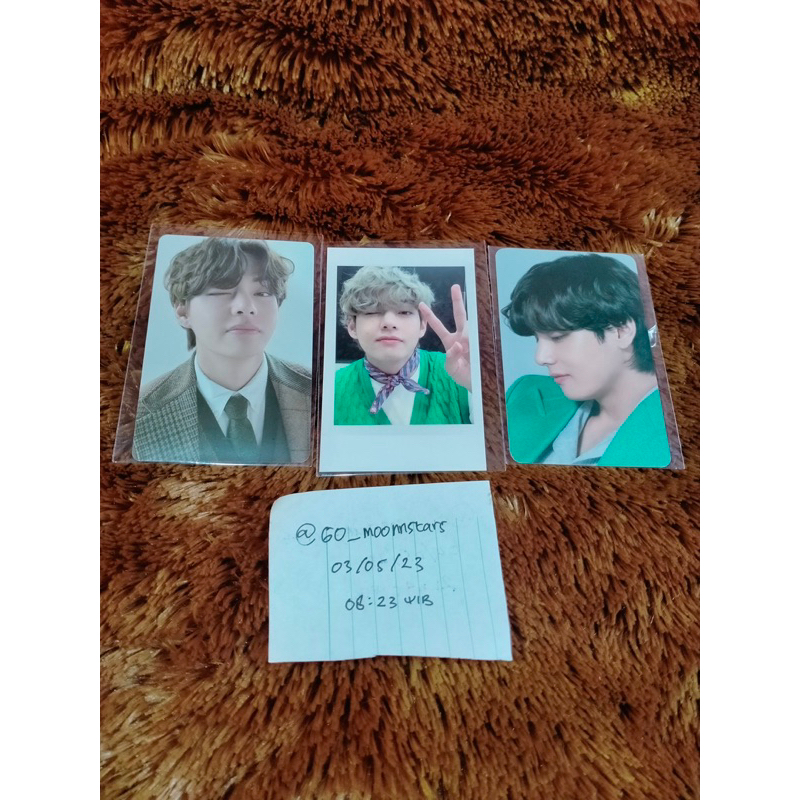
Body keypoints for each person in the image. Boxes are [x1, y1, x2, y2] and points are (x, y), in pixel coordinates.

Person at [133, 237, 311, 464]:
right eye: (220, 291)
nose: (246, 307)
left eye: (263, 293)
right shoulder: (138, 413)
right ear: (183, 311)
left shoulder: (318, 394)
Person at [501, 254, 670, 467]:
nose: (540, 357)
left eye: (558, 337)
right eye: (537, 339)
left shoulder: (678, 432)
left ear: (621, 331)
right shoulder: (525, 394)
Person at [334, 265, 472, 425]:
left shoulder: (460, 372)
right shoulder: (331, 387)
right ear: (352, 327)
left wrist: (478, 385)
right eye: (372, 311)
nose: (389, 322)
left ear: (422, 326)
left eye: (405, 312)